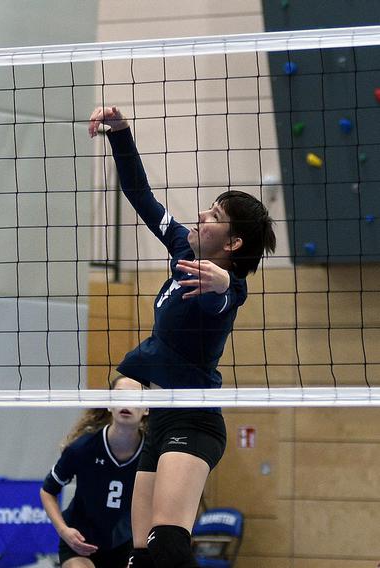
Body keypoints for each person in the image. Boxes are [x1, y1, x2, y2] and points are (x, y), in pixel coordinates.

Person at [88, 106, 276, 568]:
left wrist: (223, 285)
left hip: (195, 424)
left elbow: (221, 304)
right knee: (139, 555)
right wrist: (122, 135)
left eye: (214, 215)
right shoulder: (182, 249)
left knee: (168, 545)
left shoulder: (226, 289)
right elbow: (140, 194)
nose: (202, 215)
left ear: (232, 245)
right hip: (162, 421)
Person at [40, 377, 148, 568]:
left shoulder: (152, 454)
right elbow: (48, 491)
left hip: (125, 545)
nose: (126, 403)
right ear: (109, 405)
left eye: (135, 398)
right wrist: (64, 531)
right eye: (120, 396)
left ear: (147, 409)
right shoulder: (83, 448)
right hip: (80, 543)